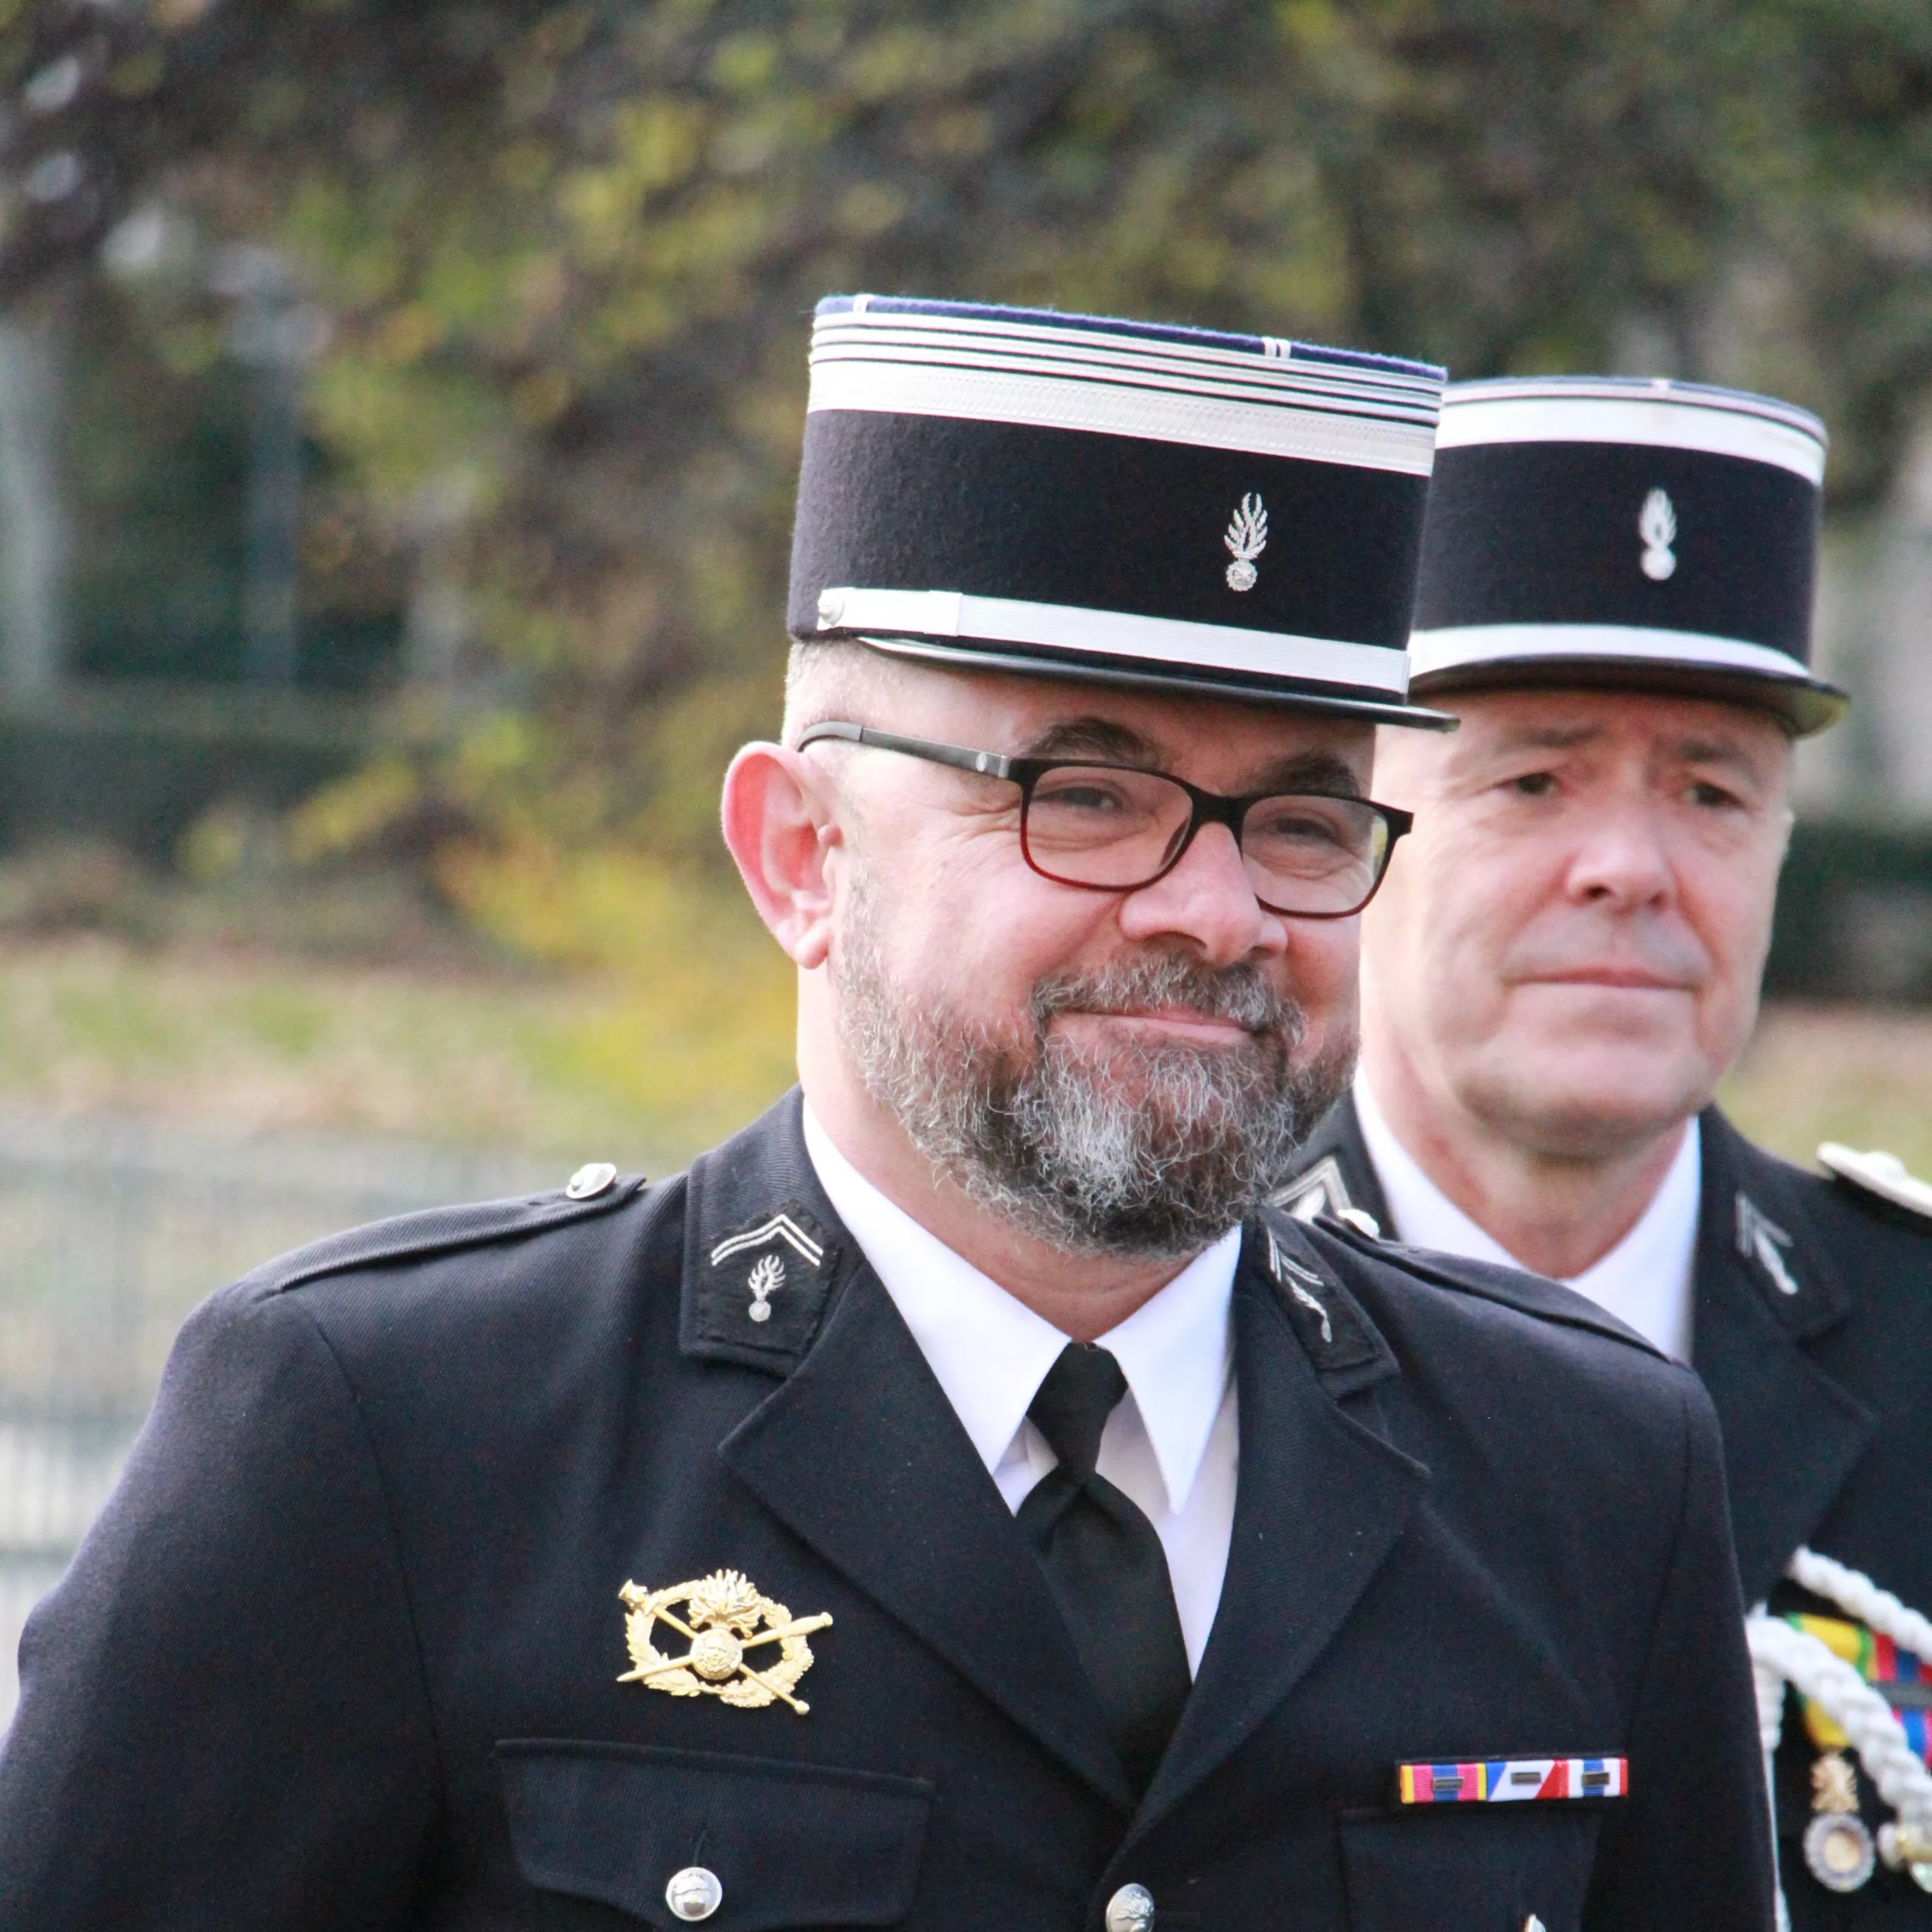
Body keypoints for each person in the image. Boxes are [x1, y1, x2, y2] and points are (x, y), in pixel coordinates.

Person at [0, 305, 1773, 1932]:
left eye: (1302, 823)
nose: (1216, 914)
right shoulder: (395, 1437)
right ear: (800, 857)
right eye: (1085, 795)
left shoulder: (1586, 1471)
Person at [1276, 374, 1932, 1928]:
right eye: (1529, 779)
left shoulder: (1912, 1335)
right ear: (1355, 820)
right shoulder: (1153, 1341)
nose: (1626, 867)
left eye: (1709, 789)